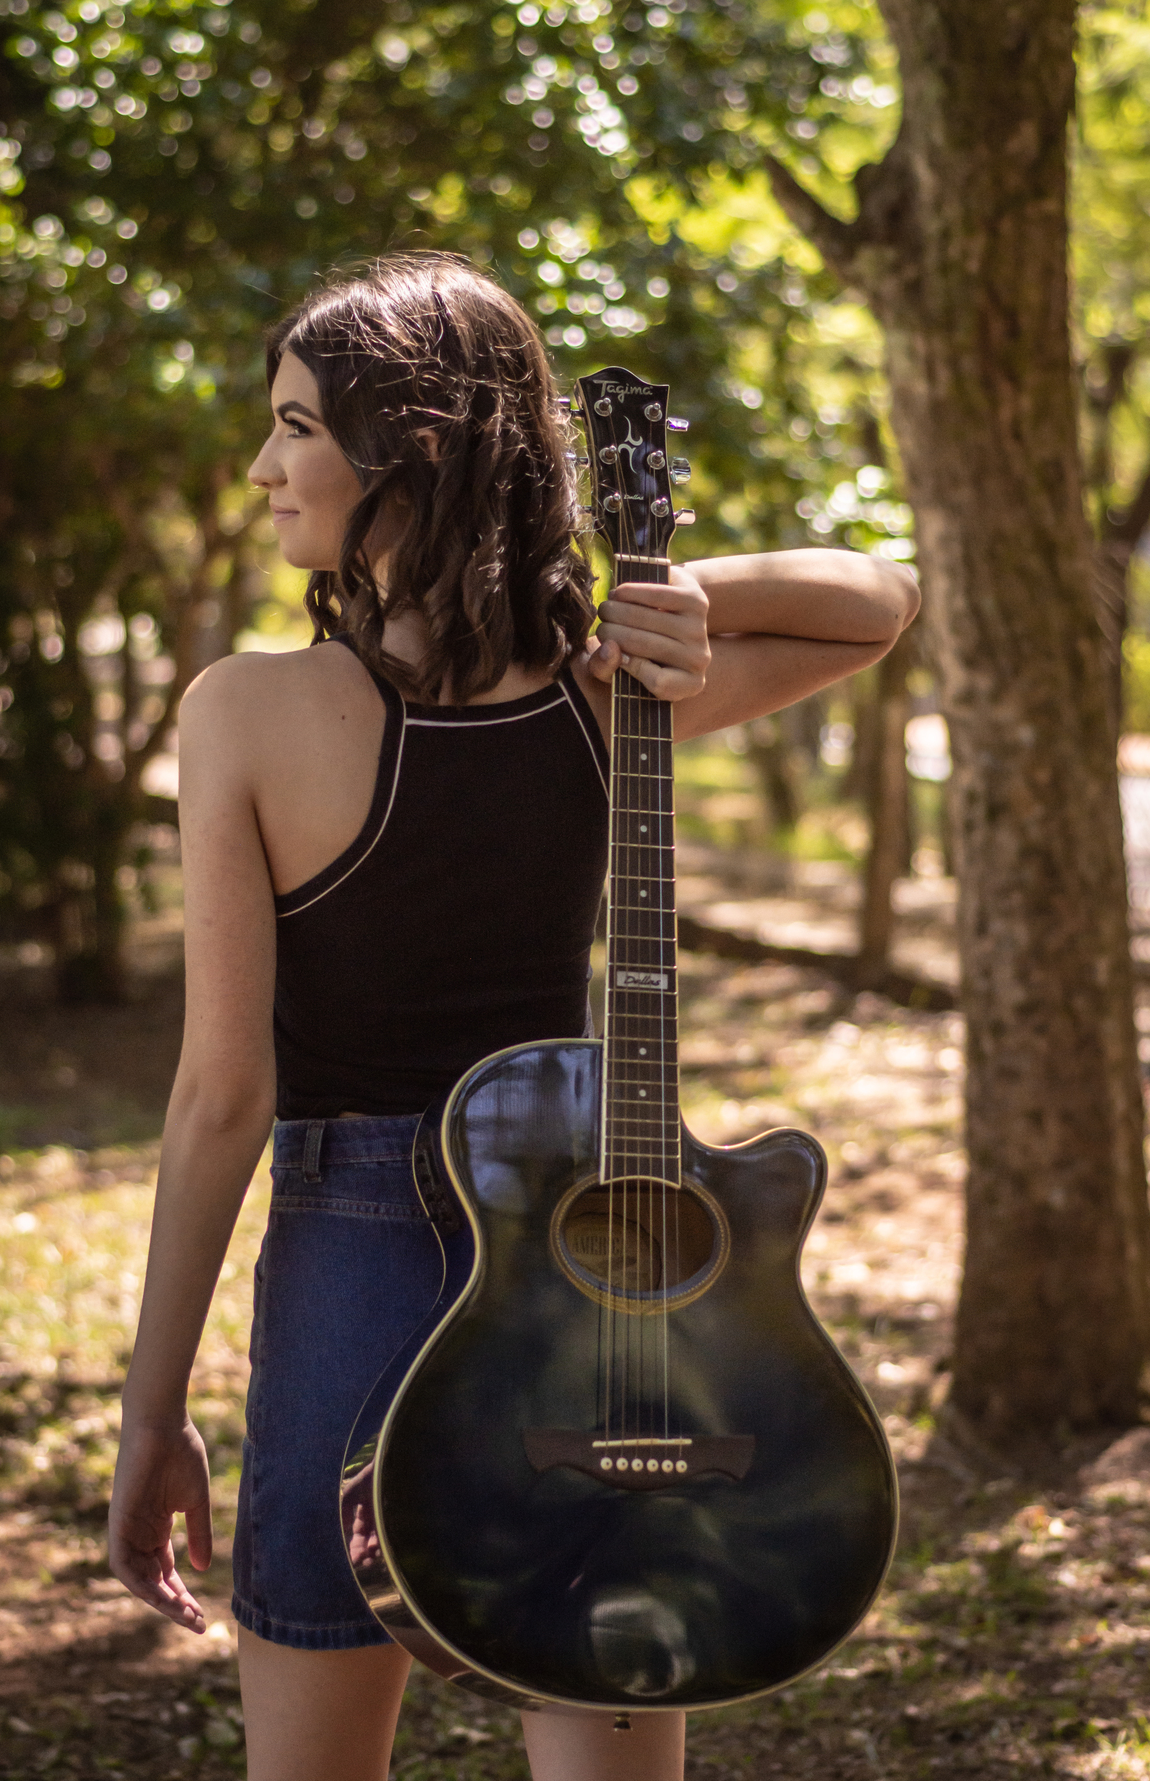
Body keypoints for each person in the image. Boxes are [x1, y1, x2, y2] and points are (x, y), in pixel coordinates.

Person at [108, 251, 919, 1781]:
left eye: (295, 427)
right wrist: (693, 597)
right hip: (588, 1264)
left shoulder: (249, 715)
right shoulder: (607, 694)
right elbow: (879, 602)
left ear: (407, 453)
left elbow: (223, 1097)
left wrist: (152, 1417)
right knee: (609, 1670)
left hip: (356, 1255)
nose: (263, 467)